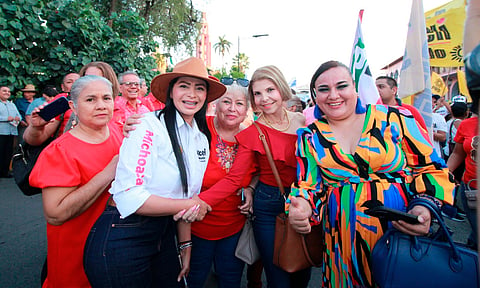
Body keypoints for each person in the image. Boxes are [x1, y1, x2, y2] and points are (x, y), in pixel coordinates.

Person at [287, 61, 455, 288]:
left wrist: (424, 207)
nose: (333, 95)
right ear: (315, 96)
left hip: (400, 238)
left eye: (341, 86)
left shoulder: (394, 118)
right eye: (324, 89)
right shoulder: (310, 136)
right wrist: (302, 208)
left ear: (355, 88)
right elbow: (309, 186)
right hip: (342, 245)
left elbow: (431, 167)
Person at [83, 57, 226, 287]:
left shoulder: (200, 138)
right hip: (124, 233)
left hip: (164, 233)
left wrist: (185, 245)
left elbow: (185, 196)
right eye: (184, 86)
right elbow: (130, 196)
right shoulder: (147, 125)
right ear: (171, 92)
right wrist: (190, 206)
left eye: (200, 88)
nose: (192, 94)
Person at [193, 65, 309, 288]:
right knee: (277, 275)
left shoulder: (302, 121)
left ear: (281, 89)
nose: (264, 98)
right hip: (268, 204)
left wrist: (250, 187)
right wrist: (198, 202)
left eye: (270, 90)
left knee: (302, 267)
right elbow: (236, 177)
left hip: (303, 199)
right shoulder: (252, 133)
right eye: (257, 93)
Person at [29, 75, 123, 287]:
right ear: (73, 106)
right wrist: (108, 173)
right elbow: (55, 214)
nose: (100, 105)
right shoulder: (60, 151)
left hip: (111, 251)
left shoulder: (117, 132)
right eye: (90, 100)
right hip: (75, 257)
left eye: (106, 98)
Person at [187, 82, 256, 288]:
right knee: (195, 276)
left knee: (230, 277)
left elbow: (259, 170)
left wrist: (250, 187)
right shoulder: (199, 126)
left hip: (233, 225)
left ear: (246, 110)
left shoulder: (250, 138)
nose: (232, 108)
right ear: (216, 105)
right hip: (197, 224)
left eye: (239, 103)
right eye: (226, 102)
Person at [0, 86, 21, 178]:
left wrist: (18, 118)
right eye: (4, 91)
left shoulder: (12, 104)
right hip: (1, 132)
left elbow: (19, 116)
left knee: (8, 152)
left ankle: (5, 172)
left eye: (8, 91)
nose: (7, 93)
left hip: (11, 132)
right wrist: (5, 119)